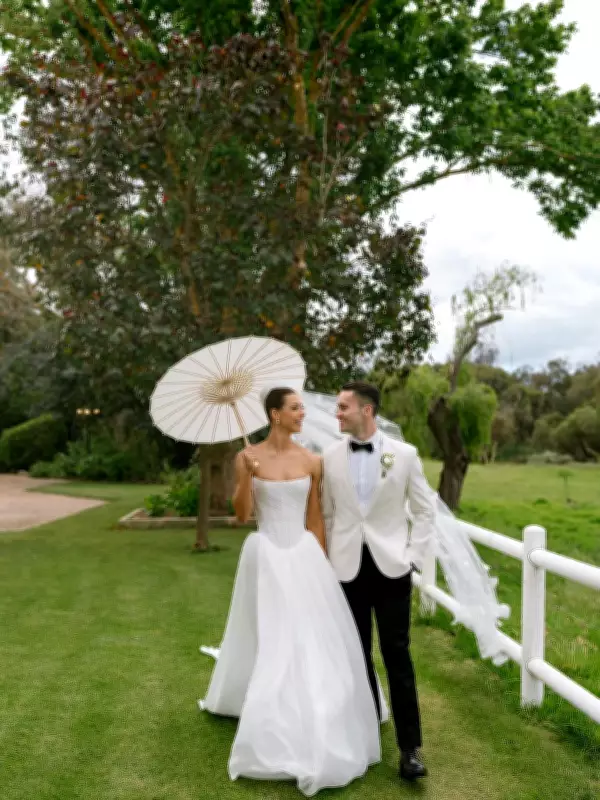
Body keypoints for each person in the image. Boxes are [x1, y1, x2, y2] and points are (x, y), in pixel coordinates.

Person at [198, 387, 380, 797]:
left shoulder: (311, 461)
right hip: (265, 553)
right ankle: (267, 707)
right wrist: (247, 473)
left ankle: (320, 708)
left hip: (303, 556)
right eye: (295, 408)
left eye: (301, 407)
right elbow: (242, 514)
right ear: (275, 414)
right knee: (272, 634)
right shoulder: (247, 457)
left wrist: (324, 569)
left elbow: (315, 520)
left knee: (309, 636)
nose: (303, 414)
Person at [321, 381, 436, 782]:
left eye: (343, 407)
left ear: (366, 410)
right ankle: (365, 736)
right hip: (346, 570)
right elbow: (329, 514)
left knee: (397, 657)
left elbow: (425, 511)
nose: (337, 414)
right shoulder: (330, 457)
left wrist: (413, 559)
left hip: (392, 570)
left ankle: (410, 750)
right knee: (356, 656)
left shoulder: (404, 455)